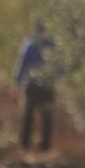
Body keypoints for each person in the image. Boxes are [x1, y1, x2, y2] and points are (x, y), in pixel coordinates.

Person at [13, 21, 57, 150]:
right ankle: (36, 146)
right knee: (37, 117)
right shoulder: (40, 45)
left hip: (40, 87)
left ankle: (32, 145)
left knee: (38, 117)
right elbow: (21, 65)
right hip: (38, 87)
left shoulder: (31, 45)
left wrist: (17, 83)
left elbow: (21, 66)